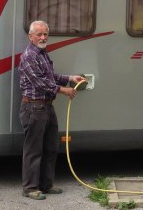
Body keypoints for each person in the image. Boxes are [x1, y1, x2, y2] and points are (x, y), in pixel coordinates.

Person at [18, 20, 86, 200]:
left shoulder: (42, 53)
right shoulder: (29, 56)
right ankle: (30, 188)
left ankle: (46, 185)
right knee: (34, 150)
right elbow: (40, 83)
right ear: (30, 36)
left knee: (50, 147)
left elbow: (50, 77)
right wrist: (63, 90)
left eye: (45, 34)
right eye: (39, 34)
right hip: (34, 107)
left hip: (46, 106)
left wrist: (69, 78)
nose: (42, 37)